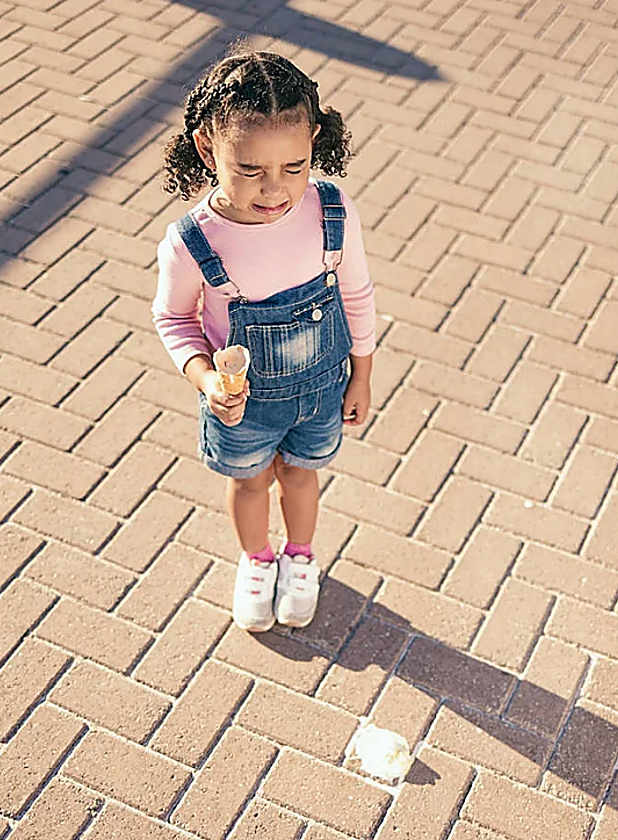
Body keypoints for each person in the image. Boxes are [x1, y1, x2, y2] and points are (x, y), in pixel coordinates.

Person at [152, 51, 376, 633]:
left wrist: (364, 373)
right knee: (249, 482)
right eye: (250, 169)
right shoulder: (192, 241)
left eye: (294, 166)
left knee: (301, 474)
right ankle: (257, 560)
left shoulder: (331, 210)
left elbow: (356, 294)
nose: (275, 189)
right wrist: (206, 382)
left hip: (321, 389)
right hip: (242, 404)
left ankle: (301, 558)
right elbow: (175, 319)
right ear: (208, 150)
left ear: (315, 143)